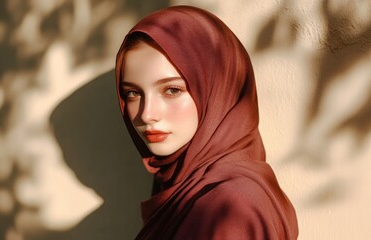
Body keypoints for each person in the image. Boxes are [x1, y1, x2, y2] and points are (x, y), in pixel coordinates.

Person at [115, 5, 298, 240]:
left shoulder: (233, 205)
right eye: (132, 93)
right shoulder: (182, 186)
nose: (146, 114)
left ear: (218, 91)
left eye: (172, 90)